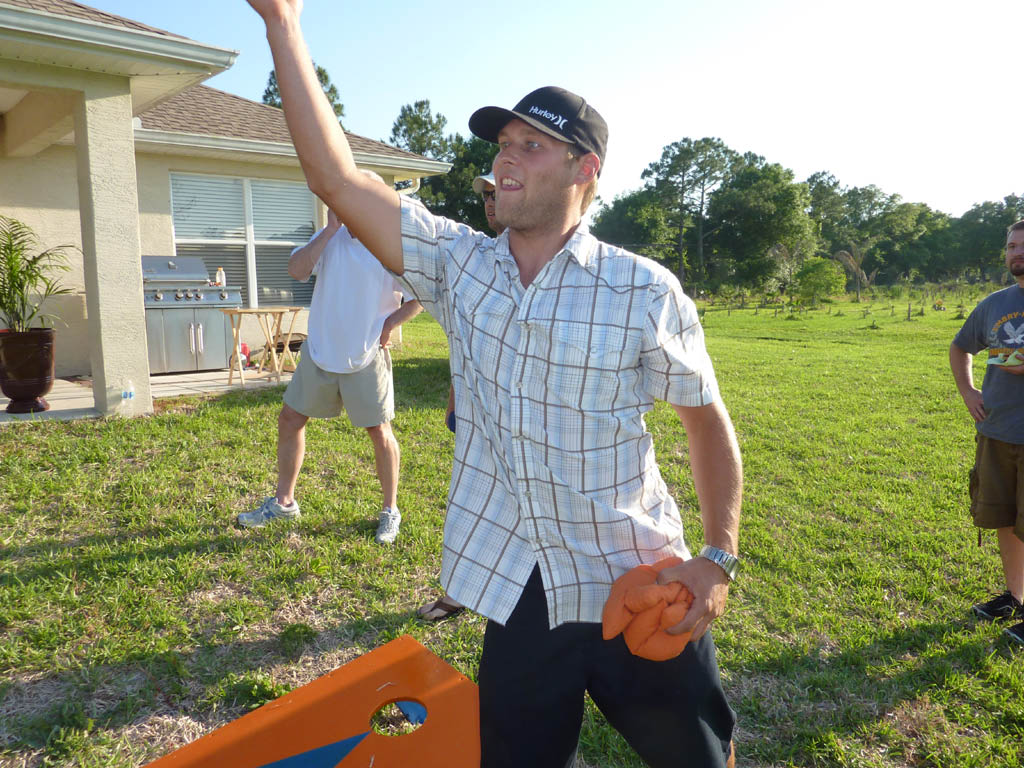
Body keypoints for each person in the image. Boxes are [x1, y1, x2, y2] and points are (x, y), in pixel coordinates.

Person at [245, 4, 741, 765]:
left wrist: (718, 556)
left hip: (635, 571)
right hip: (519, 585)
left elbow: (706, 423)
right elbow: (337, 179)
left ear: (584, 170)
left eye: (531, 145)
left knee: (696, 755)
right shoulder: (461, 267)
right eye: (503, 144)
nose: (506, 158)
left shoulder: (644, 290)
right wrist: (283, 24)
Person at [237, 169, 422, 546]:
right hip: (320, 351)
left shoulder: (389, 244)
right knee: (290, 419)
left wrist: (390, 323)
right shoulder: (329, 238)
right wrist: (330, 230)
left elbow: (421, 295)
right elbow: (296, 270)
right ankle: (284, 502)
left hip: (366, 352)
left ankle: (390, 510)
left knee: (380, 431)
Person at [419, 169, 504, 623]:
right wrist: (456, 397)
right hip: (476, 410)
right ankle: (458, 593)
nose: (490, 201)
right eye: (486, 194)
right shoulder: (472, 258)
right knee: (471, 503)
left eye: (498, 191)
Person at [951, 219, 1024, 645]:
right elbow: (961, 346)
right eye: (1012, 245)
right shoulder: (995, 304)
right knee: (1005, 519)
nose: (1017, 252)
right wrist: (968, 391)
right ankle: (1016, 598)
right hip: (997, 431)